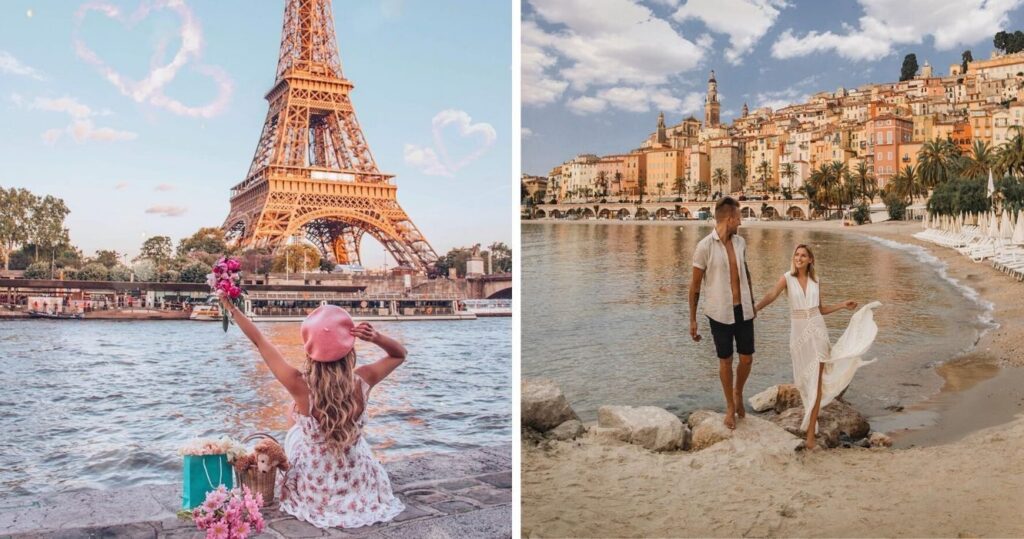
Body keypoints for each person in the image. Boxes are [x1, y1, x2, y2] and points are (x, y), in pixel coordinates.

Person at [221, 298, 407, 528]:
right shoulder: (363, 379)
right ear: (350, 349)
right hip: (357, 482)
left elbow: (259, 341)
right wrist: (376, 337)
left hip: (315, 489)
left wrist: (231, 307)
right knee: (351, 434)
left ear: (310, 350)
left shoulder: (300, 386)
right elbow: (399, 355)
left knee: (294, 412)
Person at [753, 244, 881, 450]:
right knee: (803, 381)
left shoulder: (815, 280)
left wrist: (842, 305)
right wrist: (755, 308)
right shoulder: (787, 278)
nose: (799, 258)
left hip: (818, 334)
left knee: (817, 383)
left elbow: (820, 309)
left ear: (811, 259)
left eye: (803, 255)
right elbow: (772, 294)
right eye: (796, 254)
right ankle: (810, 419)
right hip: (799, 338)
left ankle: (811, 435)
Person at [689, 197, 757, 429]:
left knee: (747, 358)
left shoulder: (740, 243)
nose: (741, 221)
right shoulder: (704, 247)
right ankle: (730, 405)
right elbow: (695, 287)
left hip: (743, 309)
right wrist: (693, 320)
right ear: (729, 219)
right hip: (719, 312)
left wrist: (753, 302)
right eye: (739, 217)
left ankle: (738, 391)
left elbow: (745, 273)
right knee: (725, 360)